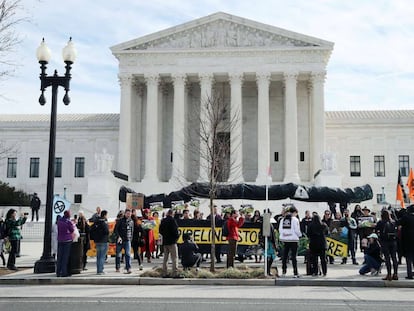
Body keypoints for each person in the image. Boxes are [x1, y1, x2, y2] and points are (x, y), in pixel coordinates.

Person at [278, 206, 302, 277]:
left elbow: (280, 229)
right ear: (294, 212)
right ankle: (295, 272)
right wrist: (300, 235)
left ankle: (284, 271)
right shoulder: (295, 219)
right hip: (294, 239)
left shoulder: (282, 219)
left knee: (285, 256)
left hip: (285, 239)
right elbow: (297, 230)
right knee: (294, 257)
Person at [376, 209, 399, 281]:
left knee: (387, 258)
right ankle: (395, 274)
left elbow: (376, 230)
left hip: (385, 241)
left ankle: (389, 274)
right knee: (394, 258)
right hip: (393, 241)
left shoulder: (381, 222)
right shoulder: (393, 222)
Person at [159, 209, 182, 278]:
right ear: (172, 214)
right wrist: (177, 237)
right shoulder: (173, 221)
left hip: (165, 242)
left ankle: (164, 273)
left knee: (165, 258)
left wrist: (165, 235)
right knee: (174, 258)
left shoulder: (163, 221)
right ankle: (175, 273)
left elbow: (160, 230)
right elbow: (175, 231)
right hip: (172, 242)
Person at [397, 204, 414, 279]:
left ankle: (409, 274)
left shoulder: (406, 217)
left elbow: (397, 222)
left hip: (407, 241)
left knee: (408, 259)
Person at [114, 208, 134, 274]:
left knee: (128, 254)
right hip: (120, 239)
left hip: (127, 239)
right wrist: (118, 237)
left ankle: (128, 268)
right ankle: (117, 267)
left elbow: (132, 231)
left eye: (129, 214)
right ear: (125, 213)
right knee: (118, 254)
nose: (128, 215)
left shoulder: (131, 221)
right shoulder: (120, 221)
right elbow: (115, 230)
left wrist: (131, 239)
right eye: (127, 214)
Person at [56, 210, 74, 277]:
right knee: (65, 257)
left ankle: (58, 272)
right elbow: (72, 230)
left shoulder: (59, 221)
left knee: (59, 256)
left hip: (60, 239)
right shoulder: (68, 222)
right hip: (67, 240)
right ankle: (64, 272)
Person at [94, 210, 109, 275]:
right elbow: (107, 231)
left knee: (98, 256)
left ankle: (98, 270)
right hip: (103, 240)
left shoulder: (96, 222)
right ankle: (100, 270)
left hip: (97, 241)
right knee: (102, 256)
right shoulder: (104, 222)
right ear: (105, 215)